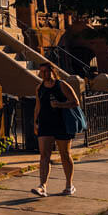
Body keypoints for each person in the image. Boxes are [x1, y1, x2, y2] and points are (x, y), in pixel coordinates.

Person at [32, 61, 80, 196]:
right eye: (41, 72)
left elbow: (76, 102)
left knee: (65, 154)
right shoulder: (39, 88)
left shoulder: (62, 85)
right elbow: (37, 106)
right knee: (44, 155)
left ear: (52, 71)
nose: (44, 74)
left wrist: (59, 104)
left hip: (62, 124)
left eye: (46, 71)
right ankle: (42, 186)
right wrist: (35, 122)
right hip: (45, 124)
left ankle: (69, 185)